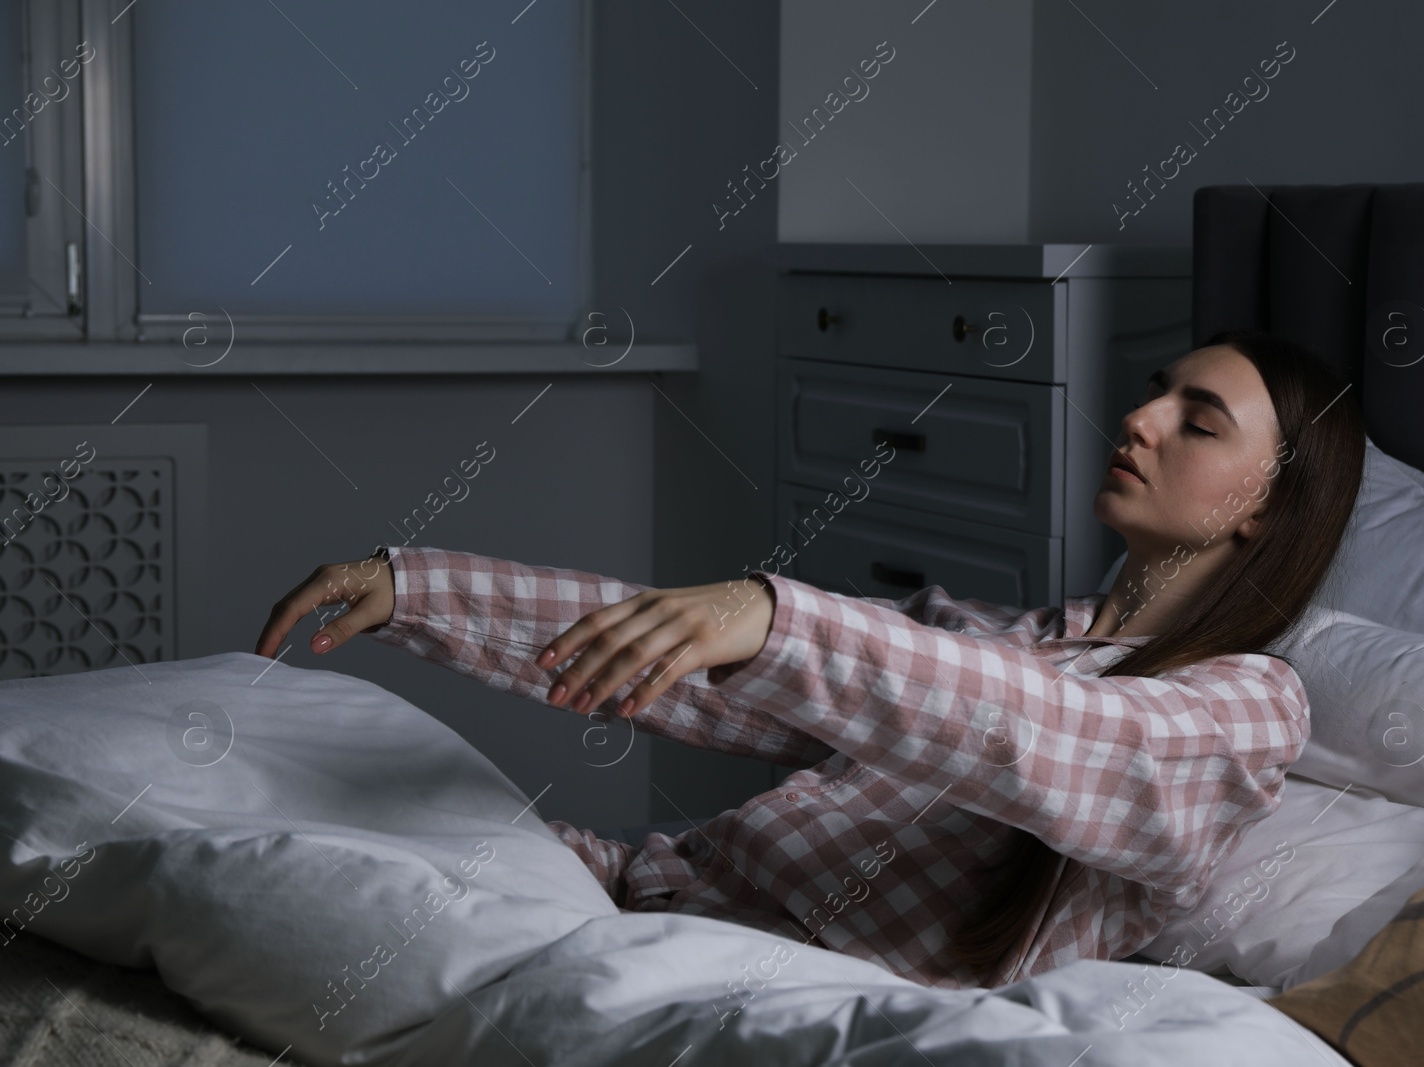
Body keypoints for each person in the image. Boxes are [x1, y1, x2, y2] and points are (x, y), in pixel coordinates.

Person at [254, 328, 1366, 990]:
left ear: (1266, 514)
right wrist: (417, 589)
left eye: (1198, 419)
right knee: (279, 838)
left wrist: (780, 618)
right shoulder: (1008, 637)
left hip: (761, 981)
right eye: (1158, 390)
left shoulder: (1247, 705)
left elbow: (1062, 740)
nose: (1140, 416)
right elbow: (700, 670)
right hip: (636, 891)